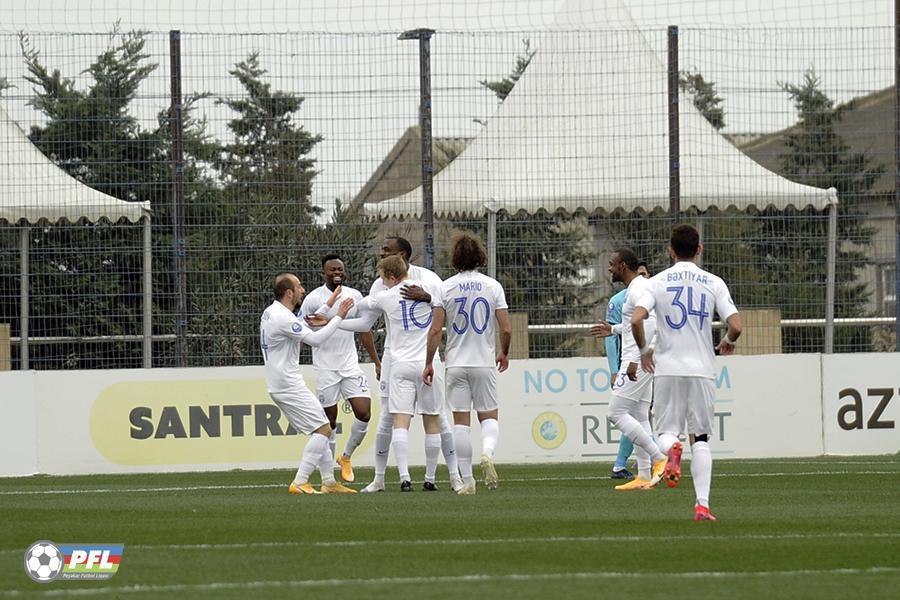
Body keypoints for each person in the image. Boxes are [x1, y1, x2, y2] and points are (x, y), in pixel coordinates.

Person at [632, 224, 743, 521]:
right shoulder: (713, 282)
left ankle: (672, 449)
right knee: (701, 439)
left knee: (666, 433)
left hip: (667, 369)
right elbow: (736, 325)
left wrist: (644, 350)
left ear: (671, 251)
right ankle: (702, 506)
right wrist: (728, 341)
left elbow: (636, 319)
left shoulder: (655, 282)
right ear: (699, 249)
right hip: (702, 370)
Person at [352, 237, 462, 493]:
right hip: (395, 356)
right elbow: (366, 321)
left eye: (386, 250)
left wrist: (427, 297)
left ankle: (454, 475)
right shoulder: (380, 283)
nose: (381, 253)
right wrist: (377, 360)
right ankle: (380, 479)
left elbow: (445, 308)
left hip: (423, 356)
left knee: (438, 418)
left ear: (401, 255)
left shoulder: (429, 279)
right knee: (388, 417)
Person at [424, 232, 512, 495]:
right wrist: (504, 352)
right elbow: (506, 328)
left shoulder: (445, 287)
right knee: (489, 417)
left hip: (456, 363)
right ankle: (487, 453)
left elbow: (435, 330)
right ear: (480, 257)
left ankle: (468, 481)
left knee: (461, 423)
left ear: (455, 258)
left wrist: (429, 362)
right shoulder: (493, 286)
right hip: (483, 362)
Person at [260, 272, 357, 494]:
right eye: (299, 286)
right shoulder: (282, 317)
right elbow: (315, 339)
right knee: (323, 429)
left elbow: (304, 322)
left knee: (323, 427)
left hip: (281, 382)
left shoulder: (273, 312)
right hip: (287, 384)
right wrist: (339, 316)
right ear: (289, 293)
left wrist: (328, 304)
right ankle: (300, 481)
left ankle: (328, 482)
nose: (303, 290)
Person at [590, 249, 668, 491]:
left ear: (623, 266)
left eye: (612, 264)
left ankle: (659, 457)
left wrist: (637, 356)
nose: (609, 269)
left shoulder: (638, 288)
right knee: (639, 416)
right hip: (639, 358)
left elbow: (650, 324)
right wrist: (612, 330)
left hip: (637, 361)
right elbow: (630, 324)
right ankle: (644, 474)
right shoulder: (637, 288)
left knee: (616, 412)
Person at [299, 254, 381, 483]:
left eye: (340, 269)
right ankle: (329, 477)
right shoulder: (313, 299)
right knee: (330, 422)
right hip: (325, 368)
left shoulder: (354, 296)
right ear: (323, 273)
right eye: (332, 270)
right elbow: (301, 327)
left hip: (350, 365)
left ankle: (346, 457)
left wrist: (376, 361)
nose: (337, 273)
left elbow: (364, 329)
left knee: (364, 413)